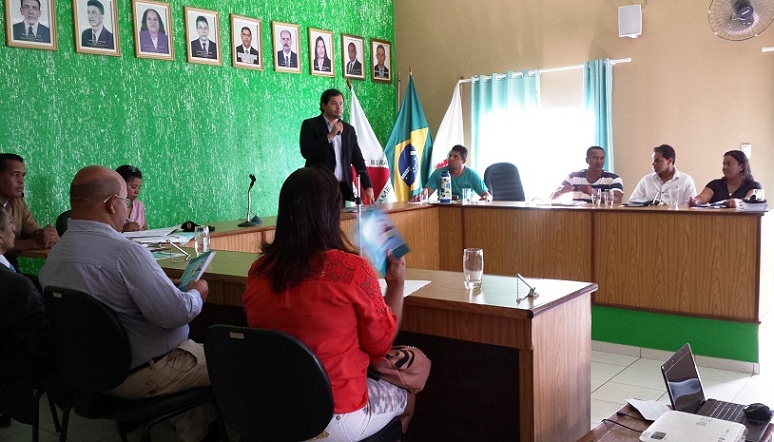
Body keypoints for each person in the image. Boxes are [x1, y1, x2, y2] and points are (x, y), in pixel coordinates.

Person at [38, 165, 216, 442]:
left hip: (88, 373)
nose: (129, 209)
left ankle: (192, 431)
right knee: (241, 360)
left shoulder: (56, 254)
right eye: (127, 202)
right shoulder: (125, 252)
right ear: (112, 204)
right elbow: (175, 315)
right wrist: (196, 292)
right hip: (147, 372)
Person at [242, 167, 413, 439]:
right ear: (331, 213)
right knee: (406, 398)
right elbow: (380, 346)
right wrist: (397, 283)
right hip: (336, 415)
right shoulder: (352, 270)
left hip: (274, 410)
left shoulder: (258, 271)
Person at [0, 206, 70, 426]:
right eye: (10, 223)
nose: (15, 228)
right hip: (20, 371)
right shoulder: (16, 286)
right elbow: (43, 344)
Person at [300, 88, 374, 203]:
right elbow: (306, 152)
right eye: (334, 103)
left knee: (346, 220)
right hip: (319, 188)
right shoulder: (310, 125)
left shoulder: (348, 129)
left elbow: (358, 160)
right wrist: (330, 135)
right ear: (324, 105)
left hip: (343, 188)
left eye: (341, 103)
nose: (339, 108)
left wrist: (368, 186)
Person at [0, 153, 58, 264]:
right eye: (15, 174)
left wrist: (47, 235)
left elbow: (33, 230)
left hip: (9, 268)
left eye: (23, 175)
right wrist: (34, 243)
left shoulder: (18, 202)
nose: (21, 181)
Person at [550, 146, 624, 203]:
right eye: (595, 158)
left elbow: (617, 200)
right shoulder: (573, 177)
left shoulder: (614, 178)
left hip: (603, 217)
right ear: (587, 160)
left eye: (602, 158)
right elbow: (551, 198)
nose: (599, 162)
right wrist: (560, 192)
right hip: (578, 216)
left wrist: (594, 193)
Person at [689, 150, 762, 208]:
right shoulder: (715, 184)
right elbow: (702, 197)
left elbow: (749, 200)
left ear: (741, 167)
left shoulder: (754, 186)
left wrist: (739, 202)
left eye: (729, 164)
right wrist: (695, 201)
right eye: (724, 164)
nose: (725, 167)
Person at [628, 144, 697, 205]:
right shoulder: (646, 180)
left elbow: (691, 207)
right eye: (653, 160)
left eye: (657, 160)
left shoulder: (686, 181)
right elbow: (632, 202)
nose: (653, 164)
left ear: (669, 161)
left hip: (677, 218)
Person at [424, 145, 491, 201]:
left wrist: (486, 198)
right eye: (450, 156)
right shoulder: (438, 173)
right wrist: (421, 195)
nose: (450, 159)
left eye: (455, 157)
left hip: (465, 209)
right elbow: (426, 193)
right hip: (443, 208)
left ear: (463, 161)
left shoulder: (472, 175)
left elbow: (487, 195)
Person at [115, 165, 147, 231]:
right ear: (120, 184)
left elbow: (145, 229)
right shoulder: (110, 206)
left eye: (139, 187)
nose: (137, 191)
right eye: (133, 187)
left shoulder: (139, 206)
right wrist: (122, 229)